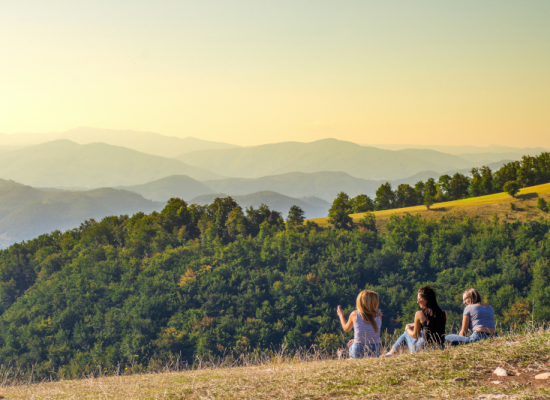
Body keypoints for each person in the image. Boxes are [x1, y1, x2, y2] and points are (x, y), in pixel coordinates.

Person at [381, 285, 447, 357]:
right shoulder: (443, 313)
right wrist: (415, 325)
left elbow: (415, 335)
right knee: (421, 332)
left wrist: (408, 329)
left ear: (427, 299)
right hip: (439, 347)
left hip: (422, 348)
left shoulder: (419, 314)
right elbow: (434, 327)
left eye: (419, 299)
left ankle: (391, 353)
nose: (417, 302)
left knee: (406, 334)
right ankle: (392, 354)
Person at [337, 290, 382, 358]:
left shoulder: (355, 314)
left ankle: (347, 356)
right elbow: (371, 333)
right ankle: (349, 357)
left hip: (358, 348)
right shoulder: (378, 315)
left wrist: (341, 315)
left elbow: (346, 329)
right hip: (375, 350)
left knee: (351, 345)